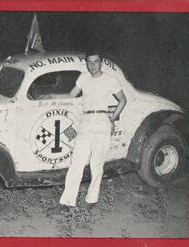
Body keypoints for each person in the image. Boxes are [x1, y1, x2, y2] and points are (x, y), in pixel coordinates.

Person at [47, 52, 127, 215]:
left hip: (102, 121)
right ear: (86, 64)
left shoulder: (110, 80)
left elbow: (123, 100)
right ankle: (67, 202)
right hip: (86, 121)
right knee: (76, 163)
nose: (93, 65)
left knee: (96, 164)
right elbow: (71, 95)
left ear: (101, 63)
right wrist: (52, 95)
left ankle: (91, 201)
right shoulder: (84, 78)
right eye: (89, 62)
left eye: (96, 61)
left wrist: (111, 119)